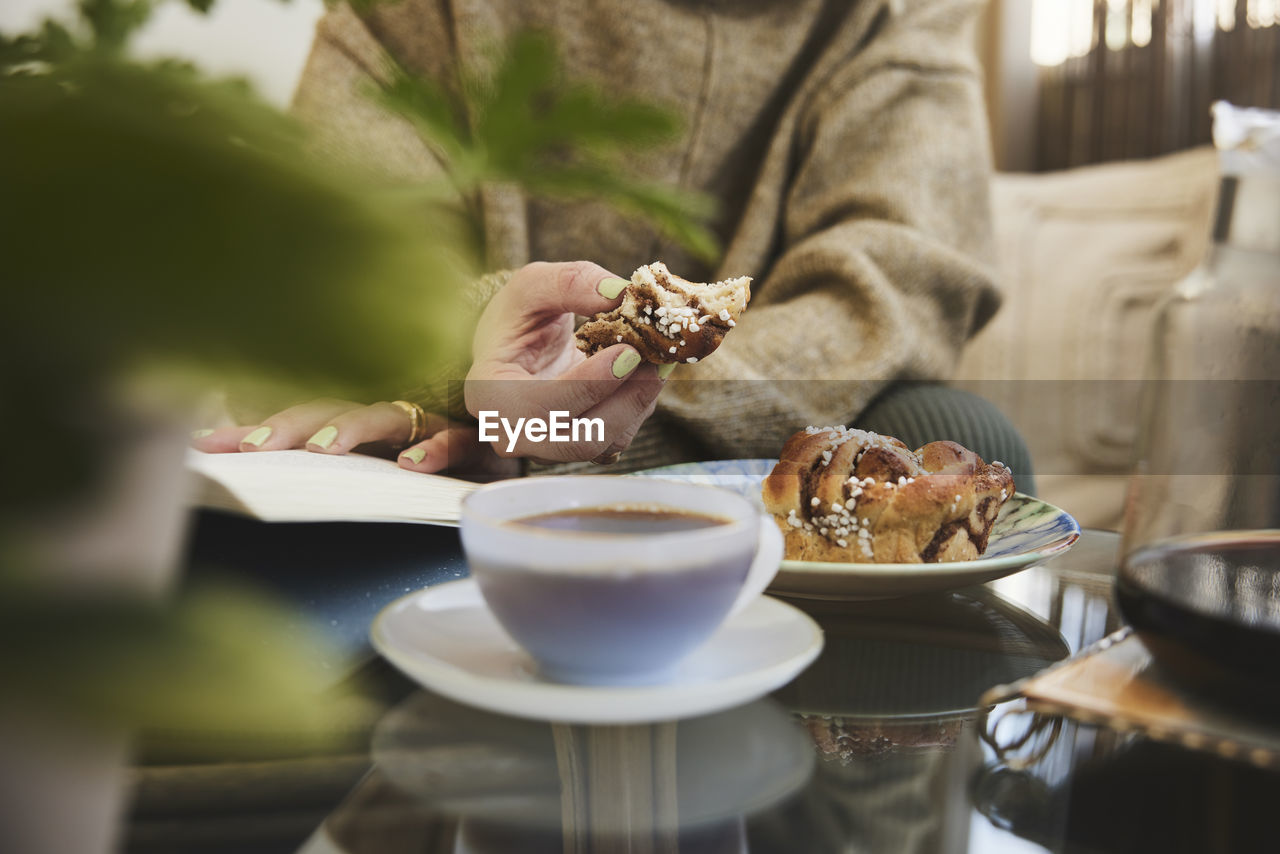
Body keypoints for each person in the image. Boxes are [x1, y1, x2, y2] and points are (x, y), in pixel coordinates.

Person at [196, 0, 1035, 487]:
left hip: (736, 438)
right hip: (435, 428)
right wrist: (477, 372)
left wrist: (609, 426)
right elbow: (333, 265)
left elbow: (893, 280)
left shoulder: (890, 16)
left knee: (952, 436)